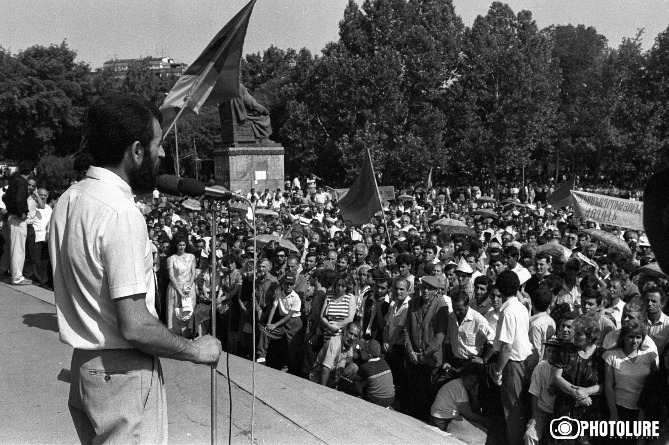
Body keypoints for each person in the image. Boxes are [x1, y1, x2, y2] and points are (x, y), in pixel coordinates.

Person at [49, 94, 221, 444]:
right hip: (123, 376)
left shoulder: (70, 198)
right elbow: (136, 325)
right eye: (157, 146)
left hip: (87, 369)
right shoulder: (121, 212)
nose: (160, 156)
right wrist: (196, 351)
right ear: (137, 150)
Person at [491, 270, 532, 445]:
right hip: (522, 362)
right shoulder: (521, 307)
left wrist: (499, 371)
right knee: (517, 407)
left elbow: (507, 346)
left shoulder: (508, 312)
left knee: (512, 410)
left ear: (500, 289)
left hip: (512, 364)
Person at [552, 315, 605, 445]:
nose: (574, 335)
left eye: (579, 334)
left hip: (591, 409)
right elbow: (557, 377)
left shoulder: (602, 355)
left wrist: (587, 391)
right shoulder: (566, 350)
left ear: (590, 337)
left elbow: (606, 384)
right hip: (566, 408)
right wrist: (578, 394)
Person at [403, 275, 449, 421]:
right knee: (414, 394)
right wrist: (410, 351)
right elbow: (406, 330)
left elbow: (439, 337)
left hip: (430, 360)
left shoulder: (441, 307)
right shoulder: (413, 303)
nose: (426, 291)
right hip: (414, 357)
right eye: (424, 287)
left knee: (428, 396)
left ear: (436, 291)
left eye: (430, 288)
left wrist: (425, 355)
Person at [604, 320, 657, 444]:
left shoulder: (649, 355)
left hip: (643, 411)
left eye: (638, 337)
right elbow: (608, 386)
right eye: (631, 337)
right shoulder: (611, 355)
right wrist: (614, 414)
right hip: (620, 409)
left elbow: (654, 384)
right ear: (623, 337)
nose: (634, 341)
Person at [3, 160, 34, 285]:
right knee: (18, 248)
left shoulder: (14, 181)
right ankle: (17, 277)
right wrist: (22, 212)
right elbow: (20, 200)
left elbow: (5, 197)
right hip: (18, 218)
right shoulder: (22, 183)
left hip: (11, 217)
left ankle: (14, 274)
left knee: (14, 247)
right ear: (31, 172)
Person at [309, 321, 361, 388]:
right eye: (350, 333)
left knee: (354, 367)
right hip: (319, 374)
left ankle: (338, 388)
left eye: (355, 336)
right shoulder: (335, 343)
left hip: (332, 374)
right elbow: (325, 368)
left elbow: (350, 358)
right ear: (345, 331)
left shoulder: (349, 342)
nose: (352, 337)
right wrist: (323, 389)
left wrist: (344, 360)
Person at [166, 237, 197, 336]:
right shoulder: (171, 259)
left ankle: (189, 334)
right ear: (176, 245)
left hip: (188, 287)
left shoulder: (191, 257)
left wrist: (188, 288)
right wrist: (179, 292)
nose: (182, 247)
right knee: (175, 314)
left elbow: (193, 273)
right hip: (175, 288)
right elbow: (171, 276)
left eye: (184, 245)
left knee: (188, 313)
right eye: (180, 245)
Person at [355, 339, 395, 408]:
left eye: (362, 350)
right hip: (391, 398)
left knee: (359, 382)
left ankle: (361, 397)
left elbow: (356, 379)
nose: (360, 351)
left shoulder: (365, 366)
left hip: (376, 400)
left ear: (369, 355)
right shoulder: (384, 362)